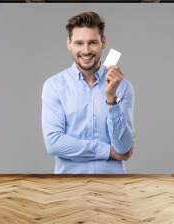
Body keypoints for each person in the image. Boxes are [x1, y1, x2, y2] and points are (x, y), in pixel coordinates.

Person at [41, 11, 135, 174]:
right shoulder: (54, 86)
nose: (86, 50)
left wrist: (111, 99)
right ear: (69, 43)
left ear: (103, 42)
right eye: (79, 43)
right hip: (68, 186)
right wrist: (108, 152)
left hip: (112, 187)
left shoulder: (123, 86)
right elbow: (54, 143)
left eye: (92, 42)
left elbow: (124, 147)